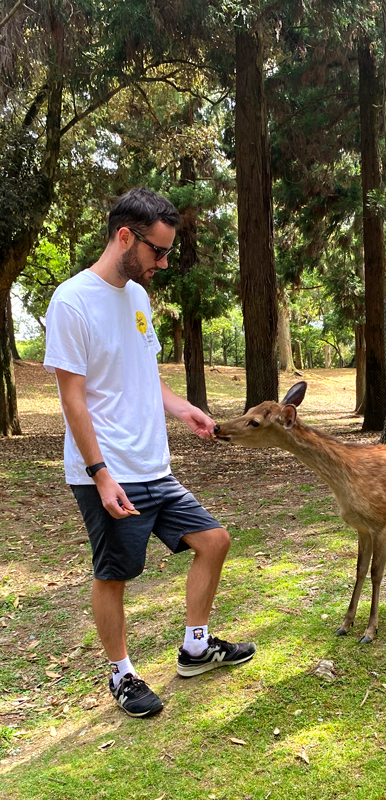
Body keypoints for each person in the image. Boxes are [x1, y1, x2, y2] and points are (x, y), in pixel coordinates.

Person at [44, 188, 255, 718]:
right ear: (124, 237)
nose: (162, 262)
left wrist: (184, 411)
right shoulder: (71, 301)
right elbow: (72, 398)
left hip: (153, 466)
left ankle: (195, 647)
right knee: (113, 573)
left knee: (214, 540)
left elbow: (145, 375)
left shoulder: (138, 298)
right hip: (107, 470)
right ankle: (122, 674)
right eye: (157, 252)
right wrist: (100, 473)